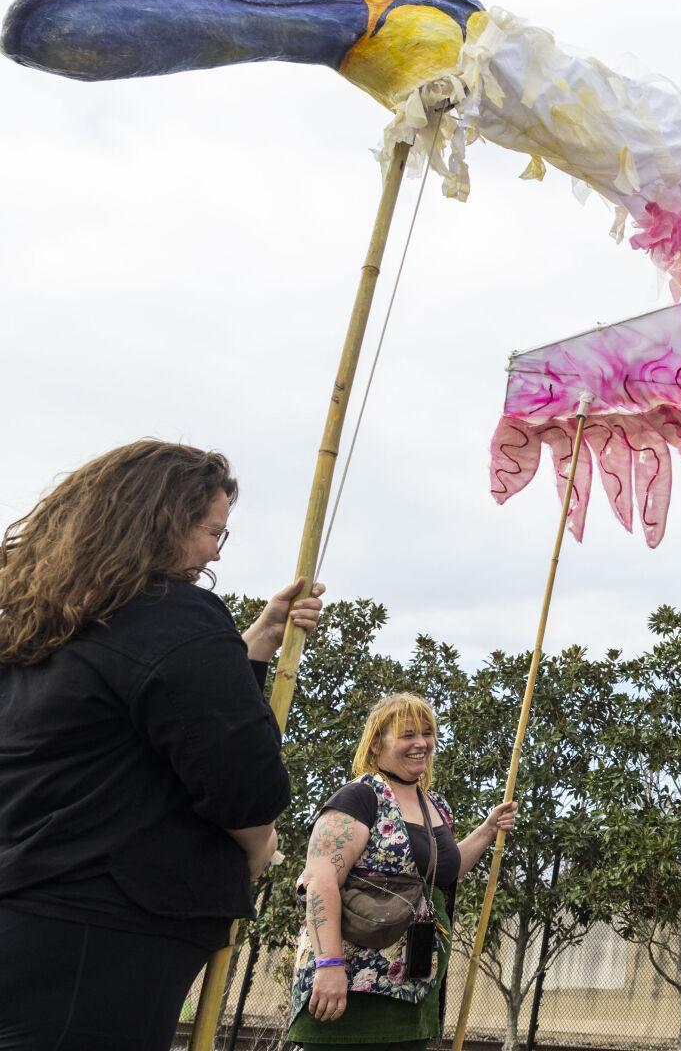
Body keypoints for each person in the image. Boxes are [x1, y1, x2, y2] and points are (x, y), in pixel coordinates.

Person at [0, 440, 322, 1051]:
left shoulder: (42, 626)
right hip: (109, 930)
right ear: (159, 524)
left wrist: (249, 647)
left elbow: (148, 726)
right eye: (211, 532)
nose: (211, 556)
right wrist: (258, 841)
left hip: (32, 911)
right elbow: (245, 783)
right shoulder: (173, 616)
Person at [287, 692, 516, 1049]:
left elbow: (444, 870)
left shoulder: (435, 804)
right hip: (351, 985)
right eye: (408, 734)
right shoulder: (360, 797)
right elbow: (320, 881)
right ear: (377, 743)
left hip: (413, 987)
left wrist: (487, 830)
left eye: (427, 733)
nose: (421, 743)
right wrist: (328, 965)